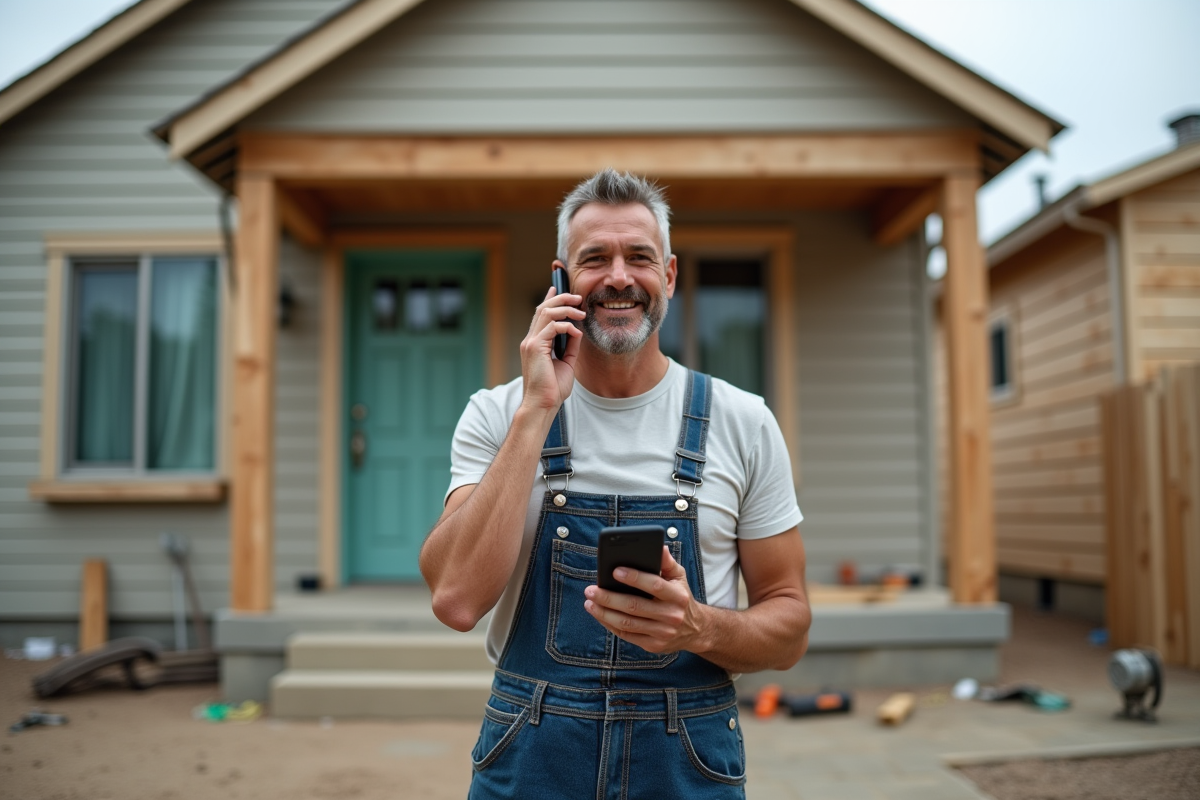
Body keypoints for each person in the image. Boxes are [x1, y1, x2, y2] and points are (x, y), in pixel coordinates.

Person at [419, 168, 811, 799]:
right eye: (594, 258)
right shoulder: (498, 414)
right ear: (561, 280)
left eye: (640, 257)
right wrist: (535, 413)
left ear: (671, 276)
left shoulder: (744, 422)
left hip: (689, 762)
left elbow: (790, 628)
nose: (620, 277)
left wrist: (699, 628)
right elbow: (456, 601)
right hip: (531, 752)